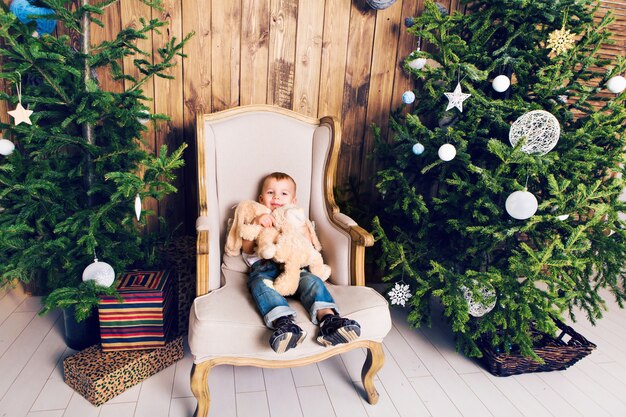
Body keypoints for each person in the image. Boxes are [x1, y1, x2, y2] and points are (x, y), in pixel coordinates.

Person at [241, 172, 361, 353]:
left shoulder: (297, 220)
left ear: (293, 201)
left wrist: (303, 228)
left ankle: (329, 321)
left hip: (296, 268)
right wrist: (257, 222)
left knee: (313, 282)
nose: (276, 198)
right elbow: (247, 249)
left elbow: (310, 247)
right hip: (265, 270)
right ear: (261, 198)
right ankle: (284, 324)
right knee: (260, 286)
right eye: (270, 192)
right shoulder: (257, 217)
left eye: (284, 194)